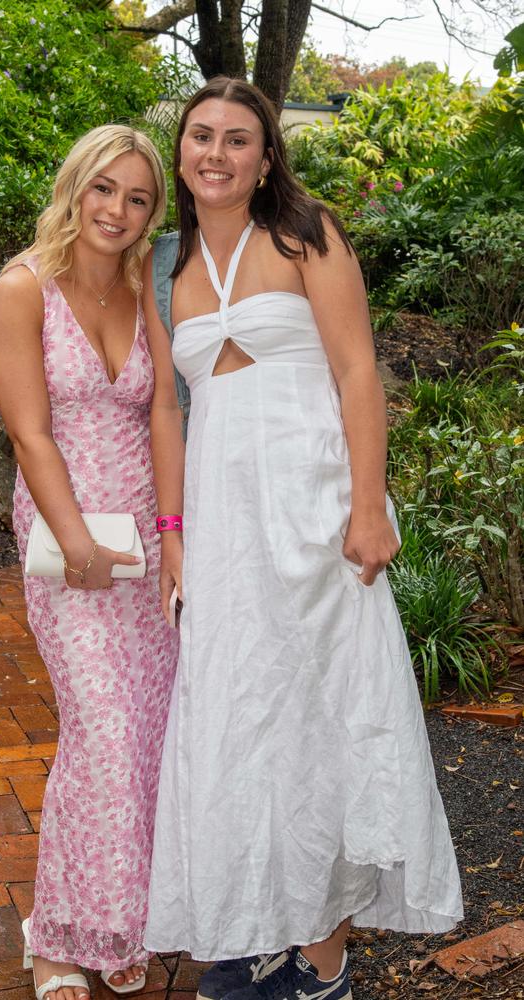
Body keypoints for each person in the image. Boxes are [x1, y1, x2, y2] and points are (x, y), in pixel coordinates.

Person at [142, 78, 463, 1000]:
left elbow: (359, 368)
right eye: (200, 136)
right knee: (242, 719)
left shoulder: (307, 232)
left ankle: (323, 956)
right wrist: (173, 537)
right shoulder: (170, 264)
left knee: (325, 717)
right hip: (225, 524)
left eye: (237, 139)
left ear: (267, 154)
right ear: (182, 152)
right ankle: (262, 926)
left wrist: (369, 506)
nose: (216, 153)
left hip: (316, 506)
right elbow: (169, 409)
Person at [0, 124, 178, 1000]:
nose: (119, 211)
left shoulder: (148, 290)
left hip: (144, 545)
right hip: (69, 549)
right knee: (99, 731)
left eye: (138, 198)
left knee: (144, 737)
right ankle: (58, 937)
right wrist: (77, 545)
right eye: (105, 189)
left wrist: (172, 536)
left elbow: (165, 408)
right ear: (76, 187)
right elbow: (29, 433)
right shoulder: (21, 290)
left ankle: (118, 920)